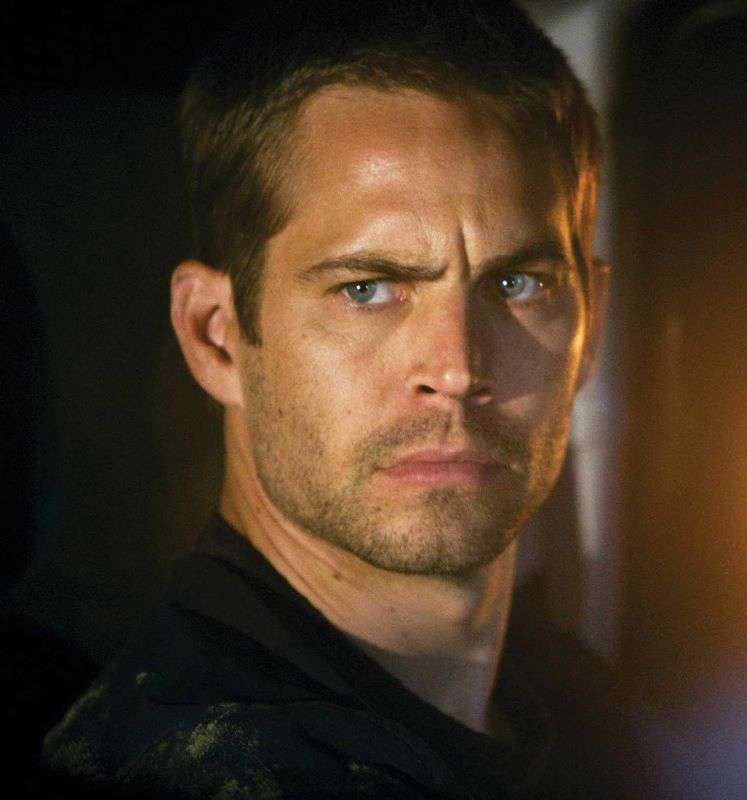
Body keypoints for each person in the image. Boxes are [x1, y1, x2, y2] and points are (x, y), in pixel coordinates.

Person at [41, 1, 628, 797]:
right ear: (217, 337)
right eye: (367, 289)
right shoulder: (206, 768)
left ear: (590, 329)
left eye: (517, 284)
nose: (456, 368)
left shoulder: (583, 710)